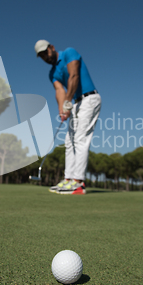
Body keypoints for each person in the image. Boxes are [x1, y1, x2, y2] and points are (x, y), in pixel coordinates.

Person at [34, 40, 101, 194]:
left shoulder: (69, 53)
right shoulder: (52, 73)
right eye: (41, 56)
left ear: (52, 47)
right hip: (76, 102)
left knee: (80, 139)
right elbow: (59, 91)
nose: (45, 56)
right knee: (69, 142)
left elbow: (74, 76)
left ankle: (78, 182)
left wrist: (68, 101)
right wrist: (62, 110)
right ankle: (68, 179)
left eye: (46, 52)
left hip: (89, 98)